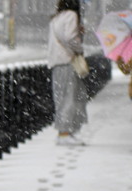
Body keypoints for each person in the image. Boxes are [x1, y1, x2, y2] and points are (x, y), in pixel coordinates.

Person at [47, 0, 88, 146]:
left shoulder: (57, 18)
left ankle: (66, 132)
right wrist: (79, 48)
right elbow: (70, 38)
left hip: (57, 62)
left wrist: (77, 33)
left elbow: (64, 36)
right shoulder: (71, 15)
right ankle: (65, 133)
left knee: (63, 97)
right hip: (67, 61)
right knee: (70, 97)